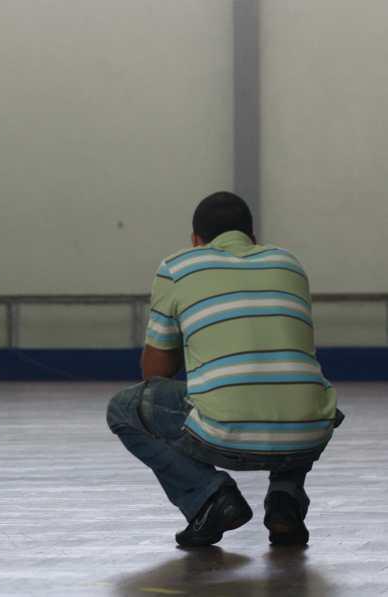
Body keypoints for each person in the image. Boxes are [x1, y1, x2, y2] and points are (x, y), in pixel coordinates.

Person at [107, 191, 342, 548]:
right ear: (253, 236)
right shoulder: (288, 263)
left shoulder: (178, 266)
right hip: (307, 433)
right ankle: (285, 500)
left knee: (124, 408)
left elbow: (155, 374)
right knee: (296, 392)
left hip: (224, 434)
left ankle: (210, 498)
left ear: (196, 241)